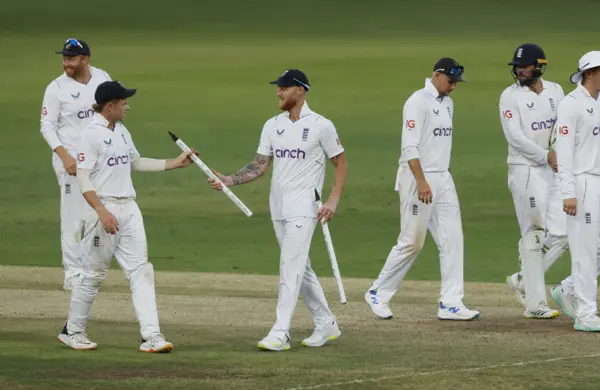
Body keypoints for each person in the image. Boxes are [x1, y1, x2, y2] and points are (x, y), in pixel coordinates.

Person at [209, 69, 348, 351]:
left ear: (300, 90)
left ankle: (280, 332)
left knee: (289, 266)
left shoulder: (322, 125)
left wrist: (333, 200)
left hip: (305, 206)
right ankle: (326, 323)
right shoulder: (272, 125)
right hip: (278, 205)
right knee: (300, 267)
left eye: (284, 87)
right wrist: (230, 180)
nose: (278, 92)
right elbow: (260, 165)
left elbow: (341, 163)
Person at [57, 81, 197, 351]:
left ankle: (152, 336)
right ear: (110, 106)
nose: (127, 106)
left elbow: (136, 162)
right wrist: (102, 211)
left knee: (141, 271)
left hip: (129, 208)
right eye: (124, 103)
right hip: (103, 208)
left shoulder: (121, 131)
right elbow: (83, 179)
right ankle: (72, 330)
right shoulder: (90, 134)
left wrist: (174, 163)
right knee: (94, 274)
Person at [364, 58, 479, 321]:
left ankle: (451, 303)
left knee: (453, 239)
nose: (453, 87)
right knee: (412, 241)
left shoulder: (447, 104)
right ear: (436, 75)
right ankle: (377, 293)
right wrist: (421, 180)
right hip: (417, 177)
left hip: (442, 177)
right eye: (450, 81)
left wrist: (440, 176)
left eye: (456, 83)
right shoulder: (417, 101)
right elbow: (410, 147)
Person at [552, 50, 600, 332]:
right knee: (583, 250)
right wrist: (567, 193)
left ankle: (568, 288)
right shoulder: (571, 105)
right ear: (589, 73)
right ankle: (585, 313)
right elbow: (564, 153)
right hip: (580, 184)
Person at [498, 43, 567, 318]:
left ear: (539, 66)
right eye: (517, 67)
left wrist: (557, 153)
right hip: (525, 169)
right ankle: (535, 305)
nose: (520, 71)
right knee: (535, 233)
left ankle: (524, 281)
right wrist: (545, 156)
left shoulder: (556, 91)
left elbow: (562, 127)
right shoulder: (509, 96)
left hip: (552, 169)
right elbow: (514, 137)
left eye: (525, 66)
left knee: (563, 233)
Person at [40, 38, 112, 290]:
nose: (65, 63)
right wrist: (64, 156)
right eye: (64, 58)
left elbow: (111, 111)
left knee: (95, 214)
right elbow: (47, 126)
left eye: (71, 58)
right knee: (73, 218)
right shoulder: (56, 88)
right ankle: (72, 273)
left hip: (98, 159)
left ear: (85, 59)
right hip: (69, 160)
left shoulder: (102, 77)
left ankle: (89, 268)